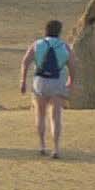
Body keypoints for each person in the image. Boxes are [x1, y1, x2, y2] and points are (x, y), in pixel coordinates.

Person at [19, 18, 73, 157]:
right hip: (57, 82)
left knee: (40, 115)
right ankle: (56, 148)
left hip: (40, 82)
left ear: (46, 30)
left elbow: (25, 62)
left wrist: (23, 81)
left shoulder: (37, 44)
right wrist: (71, 80)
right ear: (59, 32)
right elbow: (72, 65)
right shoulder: (64, 46)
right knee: (56, 117)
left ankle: (42, 145)